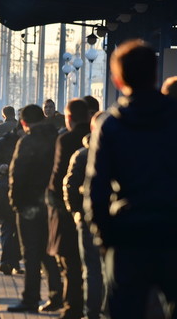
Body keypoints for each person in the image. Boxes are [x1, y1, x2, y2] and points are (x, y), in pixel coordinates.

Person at [84, 39, 177, 319]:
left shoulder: (110, 124)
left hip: (128, 239)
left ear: (117, 79)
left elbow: (96, 191)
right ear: (156, 74)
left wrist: (105, 238)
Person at [7, 104, 63, 313]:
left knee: (30, 253)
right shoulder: (57, 138)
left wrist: (16, 203)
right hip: (52, 205)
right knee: (50, 252)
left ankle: (30, 299)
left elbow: (17, 175)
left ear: (24, 123)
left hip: (29, 206)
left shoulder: (27, 141)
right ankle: (57, 297)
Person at [46, 98, 89, 319]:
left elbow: (57, 178)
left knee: (69, 263)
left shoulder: (65, 140)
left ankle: (72, 307)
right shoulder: (99, 137)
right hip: (93, 210)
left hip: (67, 210)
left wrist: (54, 204)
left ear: (69, 117)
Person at [63, 111, 106, 319]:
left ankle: (92, 313)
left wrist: (76, 213)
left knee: (91, 270)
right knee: (110, 271)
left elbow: (69, 186)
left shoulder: (81, 154)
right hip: (112, 221)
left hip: (87, 219)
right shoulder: (122, 152)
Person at [0, 116, 23, 275]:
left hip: (27, 193)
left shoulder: (34, 143)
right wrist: (0, 167)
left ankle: (11, 261)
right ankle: (9, 262)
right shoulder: (3, 143)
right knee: (9, 228)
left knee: (19, 232)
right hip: (6, 191)